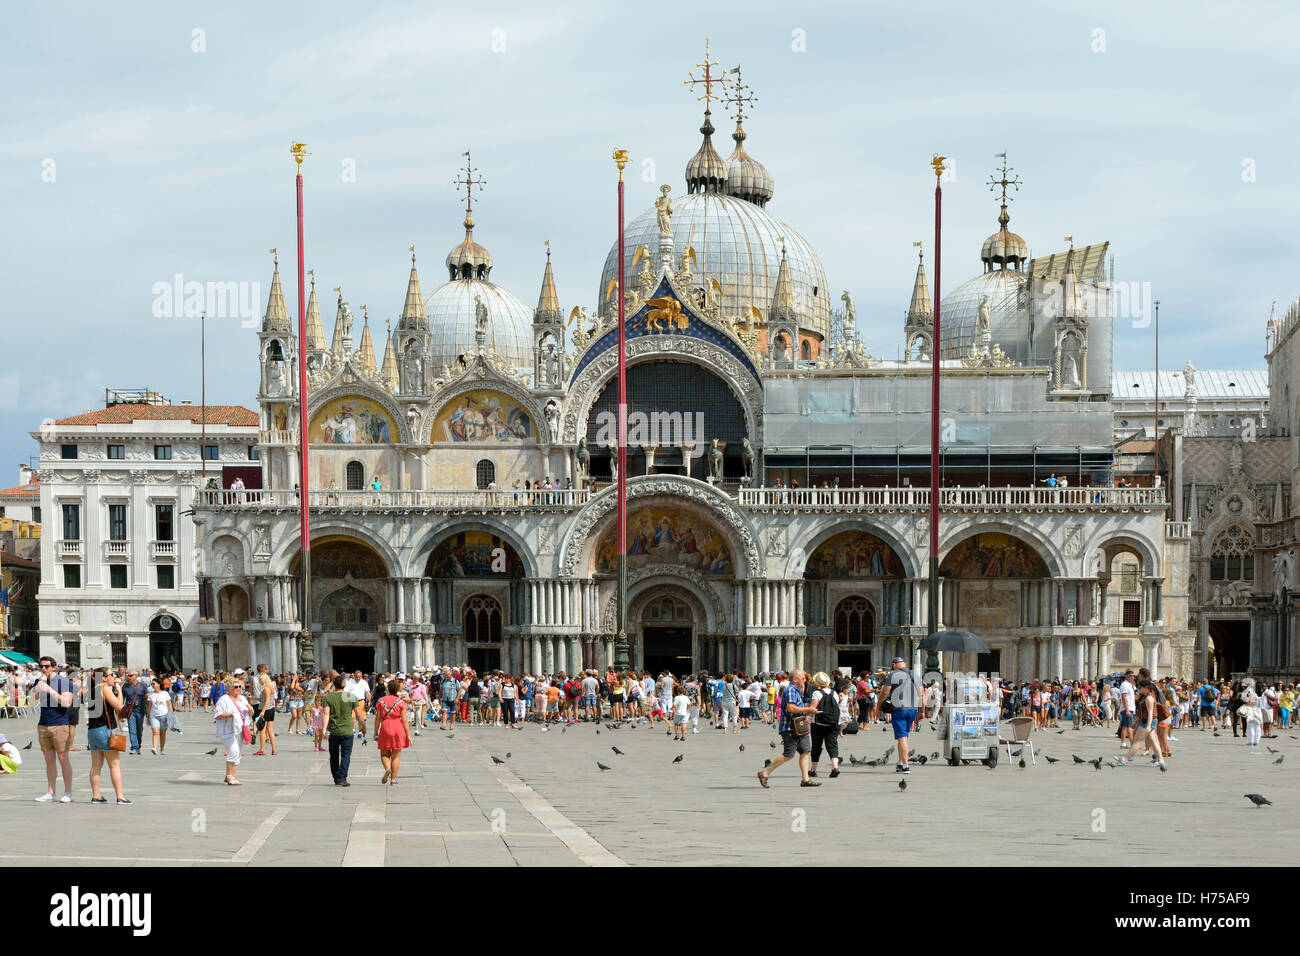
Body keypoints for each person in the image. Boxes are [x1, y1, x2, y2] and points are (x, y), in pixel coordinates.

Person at [757, 669, 820, 788]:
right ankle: (764, 773)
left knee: (805, 751)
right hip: (790, 728)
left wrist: (807, 709)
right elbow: (791, 708)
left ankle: (805, 779)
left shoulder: (797, 690)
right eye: (802, 677)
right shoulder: (791, 690)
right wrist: (808, 710)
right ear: (795, 679)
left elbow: (797, 706)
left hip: (799, 727)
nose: (805, 679)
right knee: (788, 754)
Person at [33, 655, 76, 803]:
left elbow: (66, 702)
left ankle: (68, 792)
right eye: (41, 666)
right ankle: (51, 792)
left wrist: (50, 690)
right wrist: (38, 691)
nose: (43, 669)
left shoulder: (64, 682)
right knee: (49, 759)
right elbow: (32, 702)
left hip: (60, 725)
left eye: (46, 666)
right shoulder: (40, 681)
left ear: (54, 667)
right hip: (43, 724)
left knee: (63, 758)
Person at [86, 668, 130, 804]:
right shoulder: (105, 689)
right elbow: (119, 707)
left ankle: (96, 795)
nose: (114, 677)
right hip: (104, 730)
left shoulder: (92, 690)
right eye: (111, 675)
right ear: (103, 678)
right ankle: (120, 796)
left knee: (96, 765)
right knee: (114, 764)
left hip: (92, 731)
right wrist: (120, 691)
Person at [321, 675, 366, 786]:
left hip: (334, 731)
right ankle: (342, 777)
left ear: (334, 685)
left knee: (334, 755)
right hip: (347, 731)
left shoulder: (328, 698)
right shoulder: (351, 697)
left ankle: (336, 777)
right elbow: (359, 713)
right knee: (346, 755)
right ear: (345, 685)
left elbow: (326, 714)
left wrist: (324, 729)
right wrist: (363, 726)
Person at [881, 656, 921, 773]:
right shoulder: (915, 674)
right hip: (912, 710)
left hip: (899, 710)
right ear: (905, 663)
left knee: (902, 737)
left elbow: (885, 693)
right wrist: (922, 710)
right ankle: (900, 762)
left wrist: (879, 706)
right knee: (903, 737)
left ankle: (905, 765)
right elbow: (922, 693)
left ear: (894, 665)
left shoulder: (892, 675)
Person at [213, 679, 254, 785]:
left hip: (240, 730)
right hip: (227, 730)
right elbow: (217, 715)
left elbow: (249, 715)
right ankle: (230, 777)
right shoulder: (224, 699)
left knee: (238, 753)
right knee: (234, 751)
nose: (239, 689)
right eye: (236, 687)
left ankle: (231, 776)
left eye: (240, 686)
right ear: (229, 688)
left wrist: (250, 710)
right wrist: (232, 714)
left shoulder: (243, 699)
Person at [374, 679, 410, 785]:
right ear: (398, 689)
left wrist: (376, 731)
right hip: (398, 728)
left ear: (388, 689)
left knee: (384, 754)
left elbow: (377, 718)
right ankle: (393, 780)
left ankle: (387, 768)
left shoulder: (381, 700)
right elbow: (404, 719)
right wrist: (408, 734)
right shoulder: (401, 702)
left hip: (385, 727)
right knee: (396, 756)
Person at [807, 672, 842, 779]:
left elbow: (813, 708)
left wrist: (807, 717)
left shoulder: (817, 693)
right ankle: (835, 767)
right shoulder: (834, 693)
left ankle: (813, 769)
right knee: (832, 744)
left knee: (817, 745)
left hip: (818, 723)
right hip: (833, 723)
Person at [120, 669, 148, 755]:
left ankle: (138, 746)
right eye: (127, 675)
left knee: (139, 730)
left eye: (130, 675)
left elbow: (146, 698)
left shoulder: (143, 686)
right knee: (132, 730)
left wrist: (149, 711)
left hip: (140, 710)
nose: (128, 677)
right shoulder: (125, 687)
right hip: (130, 710)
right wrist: (120, 712)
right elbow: (122, 699)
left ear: (136, 676)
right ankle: (134, 747)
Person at [254, 669, 278, 756]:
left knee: (262, 730)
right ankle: (274, 749)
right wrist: (254, 698)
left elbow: (267, 700)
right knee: (270, 730)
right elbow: (265, 699)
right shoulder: (271, 687)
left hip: (265, 710)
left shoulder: (266, 688)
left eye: (260, 679)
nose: (259, 681)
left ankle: (261, 749)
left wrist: (263, 711)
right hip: (271, 709)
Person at [147, 677, 172, 755]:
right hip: (153, 715)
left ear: (159, 684)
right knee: (155, 731)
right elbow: (149, 707)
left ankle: (162, 749)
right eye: (151, 684)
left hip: (164, 715)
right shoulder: (151, 695)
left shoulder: (165, 693)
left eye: (153, 684)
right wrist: (148, 717)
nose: (152, 685)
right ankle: (154, 748)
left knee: (162, 733)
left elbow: (169, 705)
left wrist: (171, 716)